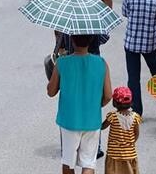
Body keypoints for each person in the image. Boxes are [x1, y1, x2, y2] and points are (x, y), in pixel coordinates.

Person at [47, 34, 112, 174]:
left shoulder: (62, 63)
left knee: (68, 162)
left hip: (68, 120)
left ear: (71, 39)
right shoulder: (101, 63)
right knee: (88, 163)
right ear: (91, 40)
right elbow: (108, 96)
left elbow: (51, 92)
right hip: (92, 120)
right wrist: (95, 105)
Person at [101, 87, 142, 174]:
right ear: (131, 102)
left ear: (115, 103)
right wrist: (130, 144)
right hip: (130, 154)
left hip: (113, 154)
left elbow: (102, 127)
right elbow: (136, 134)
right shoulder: (136, 117)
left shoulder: (112, 116)